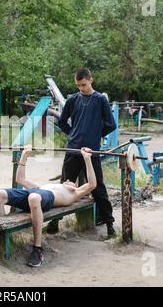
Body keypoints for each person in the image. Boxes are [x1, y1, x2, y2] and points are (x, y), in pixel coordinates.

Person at [0, 145, 97, 267]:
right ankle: (4, 242)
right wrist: (24, 156)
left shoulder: (75, 192)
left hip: (43, 197)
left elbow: (92, 184)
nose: (67, 179)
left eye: (72, 181)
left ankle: (37, 249)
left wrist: (87, 159)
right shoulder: (44, 186)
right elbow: (20, 179)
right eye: (66, 180)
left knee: (34, 197)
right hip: (36, 193)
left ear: (76, 186)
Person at [47, 68, 117, 238]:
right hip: (73, 149)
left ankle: (109, 225)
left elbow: (111, 124)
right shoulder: (73, 99)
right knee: (64, 186)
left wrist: (96, 135)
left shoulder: (100, 100)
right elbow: (62, 121)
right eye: (78, 85)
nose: (81, 88)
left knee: (98, 187)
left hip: (91, 152)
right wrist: (72, 133)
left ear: (90, 80)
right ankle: (54, 223)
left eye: (84, 85)